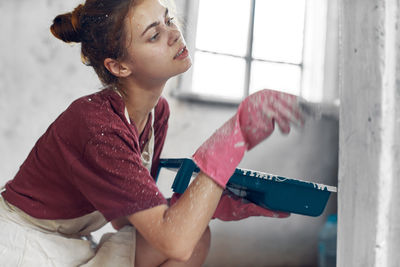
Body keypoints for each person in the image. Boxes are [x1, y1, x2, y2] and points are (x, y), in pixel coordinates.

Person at [0, 0, 304, 266]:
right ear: (118, 66)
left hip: (73, 241)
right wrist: (233, 136)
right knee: (183, 241)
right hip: (24, 245)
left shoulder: (157, 114)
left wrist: (209, 205)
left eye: (168, 20)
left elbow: (127, 218)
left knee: (197, 237)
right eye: (155, 35)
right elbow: (174, 243)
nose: (174, 35)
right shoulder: (96, 125)